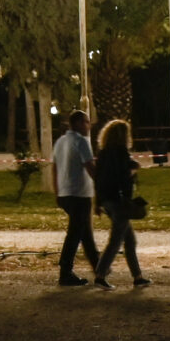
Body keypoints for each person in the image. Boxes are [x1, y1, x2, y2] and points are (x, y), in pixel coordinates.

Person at [51, 109, 102, 288]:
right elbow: (90, 167)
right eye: (87, 122)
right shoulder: (81, 142)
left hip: (65, 194)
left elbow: (54, 168)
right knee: (75, 233)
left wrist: (57, 192)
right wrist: (104, 185)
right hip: (80, 194)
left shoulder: (60, 142)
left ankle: (99, 269)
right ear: (79, 123)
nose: (89, 126)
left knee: (85, 233)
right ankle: (65, 272)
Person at [94, 119, 147, 289]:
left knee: (129, 240)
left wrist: (97, 202)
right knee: (116, 240)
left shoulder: (102, 154)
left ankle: (137, 276)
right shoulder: (122, 153)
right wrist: (132, 171)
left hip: (107, 200)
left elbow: (99, 178)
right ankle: (100, 274)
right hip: (119, 201)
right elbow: (123, 176)